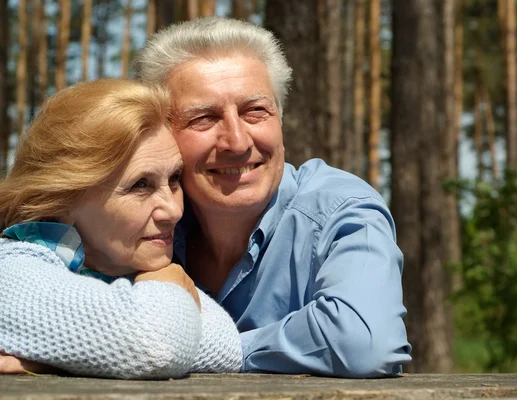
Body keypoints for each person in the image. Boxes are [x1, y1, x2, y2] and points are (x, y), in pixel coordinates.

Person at [132, 16, 411, 378]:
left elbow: (362, 343)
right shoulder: (138, 215)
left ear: (280, 119)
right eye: (204, 117)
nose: (237, 141)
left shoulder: (341, 211)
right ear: (160, 134)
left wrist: (211, 347)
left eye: (255, 112)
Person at [0, 79, 242, 378]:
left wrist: (66, 356)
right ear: (62, 198)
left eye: (175, 178)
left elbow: (228, 346)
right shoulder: (12, 271)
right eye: (140, 185)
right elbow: (157, 345)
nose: (174, 210)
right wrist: (164, 287)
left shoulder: (125, 266)